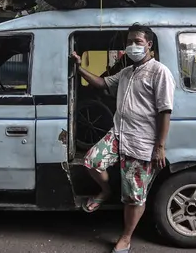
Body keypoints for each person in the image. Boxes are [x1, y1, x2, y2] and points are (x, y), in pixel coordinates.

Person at [71, 24, 175, 253]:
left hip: (142, 141)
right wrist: (80, 69)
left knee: (133, 197)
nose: (132, 46)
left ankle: (126, 238)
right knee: (92, 161)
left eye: (138, 41)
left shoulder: (160, 72)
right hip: (118, 133)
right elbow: (102, 83)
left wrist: (160, 146)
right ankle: (106, 191)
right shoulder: (127, 72)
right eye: (129, 42)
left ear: (149, 44)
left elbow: (165, 111)